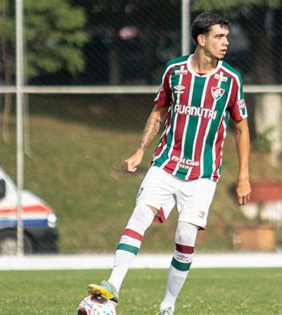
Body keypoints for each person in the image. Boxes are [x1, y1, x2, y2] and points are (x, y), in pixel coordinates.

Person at [87, 12, 251, 315]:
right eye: (219, 36)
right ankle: (112, 286)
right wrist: (140, 150)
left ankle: (168, 304)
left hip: (203, 174)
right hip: (166, 163)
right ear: (201, 40)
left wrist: (243, 175)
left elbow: (241, 127)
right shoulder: (174, 71)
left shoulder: (230, 80)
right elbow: (159, 112)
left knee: (185, 236)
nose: (226, 42)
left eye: (227, 37)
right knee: (140, 214)